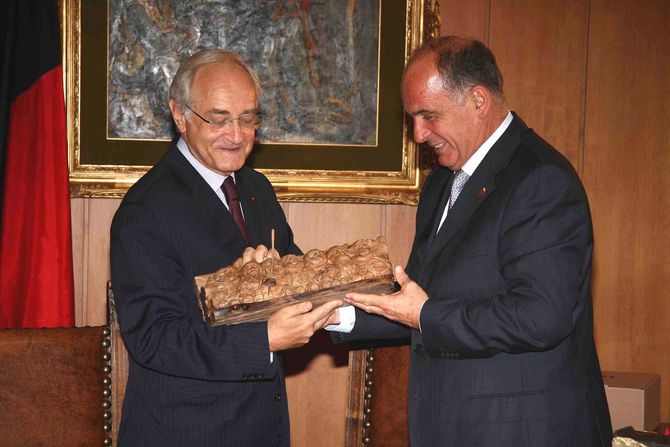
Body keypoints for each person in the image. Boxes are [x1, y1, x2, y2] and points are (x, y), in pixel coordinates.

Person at [332, 36, 613, 446]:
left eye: (429, 115)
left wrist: (426, 315)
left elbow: (541, 316)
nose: (418, 134)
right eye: (412, 118)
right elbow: (419, 298)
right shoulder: (441, 183)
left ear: (478, 100)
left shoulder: (540, 179)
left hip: (521, 433)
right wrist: (337, 312)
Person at [110, 49, 341, 447]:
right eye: (218, 120)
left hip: (261, 428)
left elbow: (297, 279)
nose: (236, 135)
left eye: (248, 119)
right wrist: (263, 339)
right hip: (185, 433)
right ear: (180, 115)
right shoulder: (145, 210)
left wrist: (332, 294)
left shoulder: (256, 189)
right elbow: (155, 339)